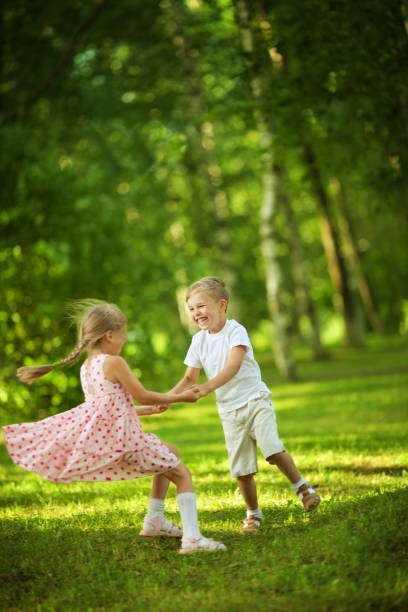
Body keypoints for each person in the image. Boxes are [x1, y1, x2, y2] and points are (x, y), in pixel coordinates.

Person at [2, 300, 226, 554]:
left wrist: (146, 410)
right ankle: (193, 540)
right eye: (123, 333)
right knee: (182, 475)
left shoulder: (88, 367)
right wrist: (179, 397)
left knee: (170, 453)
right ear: (109, 336)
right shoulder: (113, 363)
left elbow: (106, 408)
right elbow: (142, 394)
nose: (125, 339)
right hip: (129, 442)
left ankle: (155, 521)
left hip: (115, 443)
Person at [171, 277, 320, 533]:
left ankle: (303, 489)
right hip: (229, 411)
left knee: (272, 450)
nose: (196, 313)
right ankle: (253, 514)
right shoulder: (198, 342)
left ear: (221, 305)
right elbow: (188, 379)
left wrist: (207, 388)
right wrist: (165, 400)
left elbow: (233, 366)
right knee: (242, 470)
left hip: (254, 400)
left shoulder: (235, 330)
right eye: (191, 308)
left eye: (201, 306)